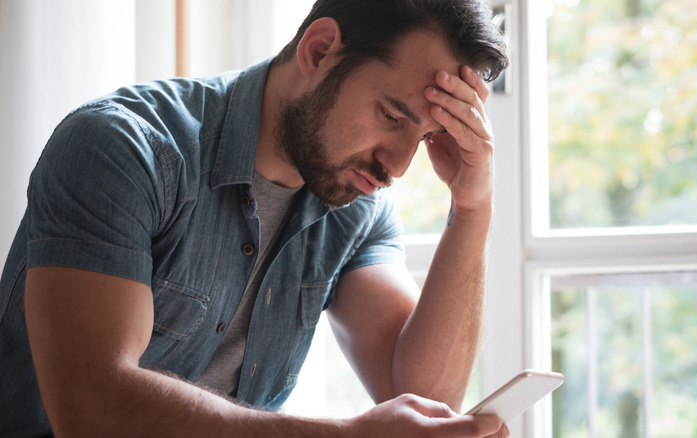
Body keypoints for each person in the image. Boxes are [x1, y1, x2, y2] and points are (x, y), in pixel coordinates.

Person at [0, 0, 509, 436]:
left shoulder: (354, 207)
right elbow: (90, 408)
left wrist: (471, 208)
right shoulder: (125, 149)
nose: (397, 166)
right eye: (392, 117)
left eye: (422, 138)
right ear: (319, 50)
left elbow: (424, 398)